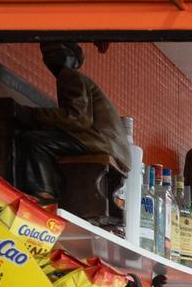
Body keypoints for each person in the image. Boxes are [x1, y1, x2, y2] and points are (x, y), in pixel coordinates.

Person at [14, 42, 130, 203]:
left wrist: (33, 114)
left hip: (100, 141)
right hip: (113, 148)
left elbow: (78, 119)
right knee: (47, 140)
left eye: (56, 52)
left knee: (35, 141)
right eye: (46, 55)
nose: (50, 58)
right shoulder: (73, 77)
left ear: (74, 59)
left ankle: (43, 194)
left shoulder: (69, 75)